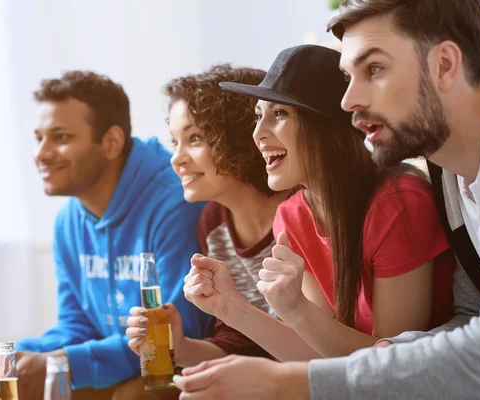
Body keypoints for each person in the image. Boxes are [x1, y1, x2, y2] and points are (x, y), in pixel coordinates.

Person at [173, 1, 480, 399]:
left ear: (445, 65)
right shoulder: (451, 170)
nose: (347, 101)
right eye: (348, 76)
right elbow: (471, 320)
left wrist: (288, 384)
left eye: (374, 69)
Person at [180, 43, 455, 367]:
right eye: (258, 116)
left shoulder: (398, 203)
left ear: (325, 127)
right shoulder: (291, 216)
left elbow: (391, 368)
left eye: (279, 114)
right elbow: (316, 355)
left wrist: (296, 309)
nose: (258, 134)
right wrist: (230, 308)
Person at [0, 71, 212, 400]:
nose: (41, 153)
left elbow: (172, 338)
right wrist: (11, 358)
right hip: (121, 362)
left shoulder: (175, 204)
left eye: (61, 137)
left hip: (178, 367)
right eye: (38, 137)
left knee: (132, 396)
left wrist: (61, 363)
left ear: (111, 142)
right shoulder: (68, 222)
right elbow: (76, 327)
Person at [126, 65, 288, 366]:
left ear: (240, 136)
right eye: (175, 142)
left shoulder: (302, 214)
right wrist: (179, 347)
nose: (177, 158)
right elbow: (239, 342)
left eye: (195, 138)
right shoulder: (213, 223)